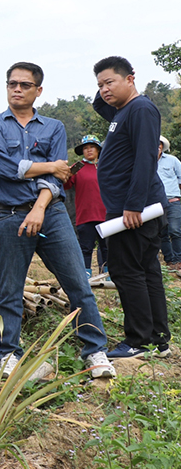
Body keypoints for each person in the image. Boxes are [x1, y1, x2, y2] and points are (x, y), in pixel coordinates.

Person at [0, 62, 115, 379]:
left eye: (24, 85)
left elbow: (59, 178)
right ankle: (8, 355)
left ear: (38, 90)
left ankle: (95, 351)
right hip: (10, 216)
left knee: (78, 285)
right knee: (10, 291)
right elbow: (3, 167)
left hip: (50, 214)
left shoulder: (53, 127)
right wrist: (50, 166)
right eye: (12, 83)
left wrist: (40, 207)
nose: (16, 89)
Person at [92, 56, 171, 358]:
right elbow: (101, 106)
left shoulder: (140, 109)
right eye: (99, 85)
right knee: (146, 270)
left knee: (127, 272)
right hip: (131, 207)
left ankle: (138, 341)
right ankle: (157, 339)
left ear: (130, 79)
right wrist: (107, 92)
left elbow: (145, 158)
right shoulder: (122, 112)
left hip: (134, 210)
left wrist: (134, 205)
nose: (103, 90)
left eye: (109, 82)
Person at [63, 135, 108, 276]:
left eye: (92, 147)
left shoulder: (106, 167)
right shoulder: (77, 168)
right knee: (86, 248)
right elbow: (66, 185)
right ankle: (85, 276)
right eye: (85, 148)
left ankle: (107, 275)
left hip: (105, 215)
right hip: (85, 215)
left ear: (98, 150)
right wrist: (67, 174)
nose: (89, 150)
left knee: (106, 247)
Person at [157, 135, 181, 269]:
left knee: (175, 230)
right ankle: (170, 260)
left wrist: (174, 188)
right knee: (162, 233)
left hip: (173, 201)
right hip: (156, 204)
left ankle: (178, 260)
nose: (158, 146)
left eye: (160, 144)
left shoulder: (172, 160)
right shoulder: (147, 161)